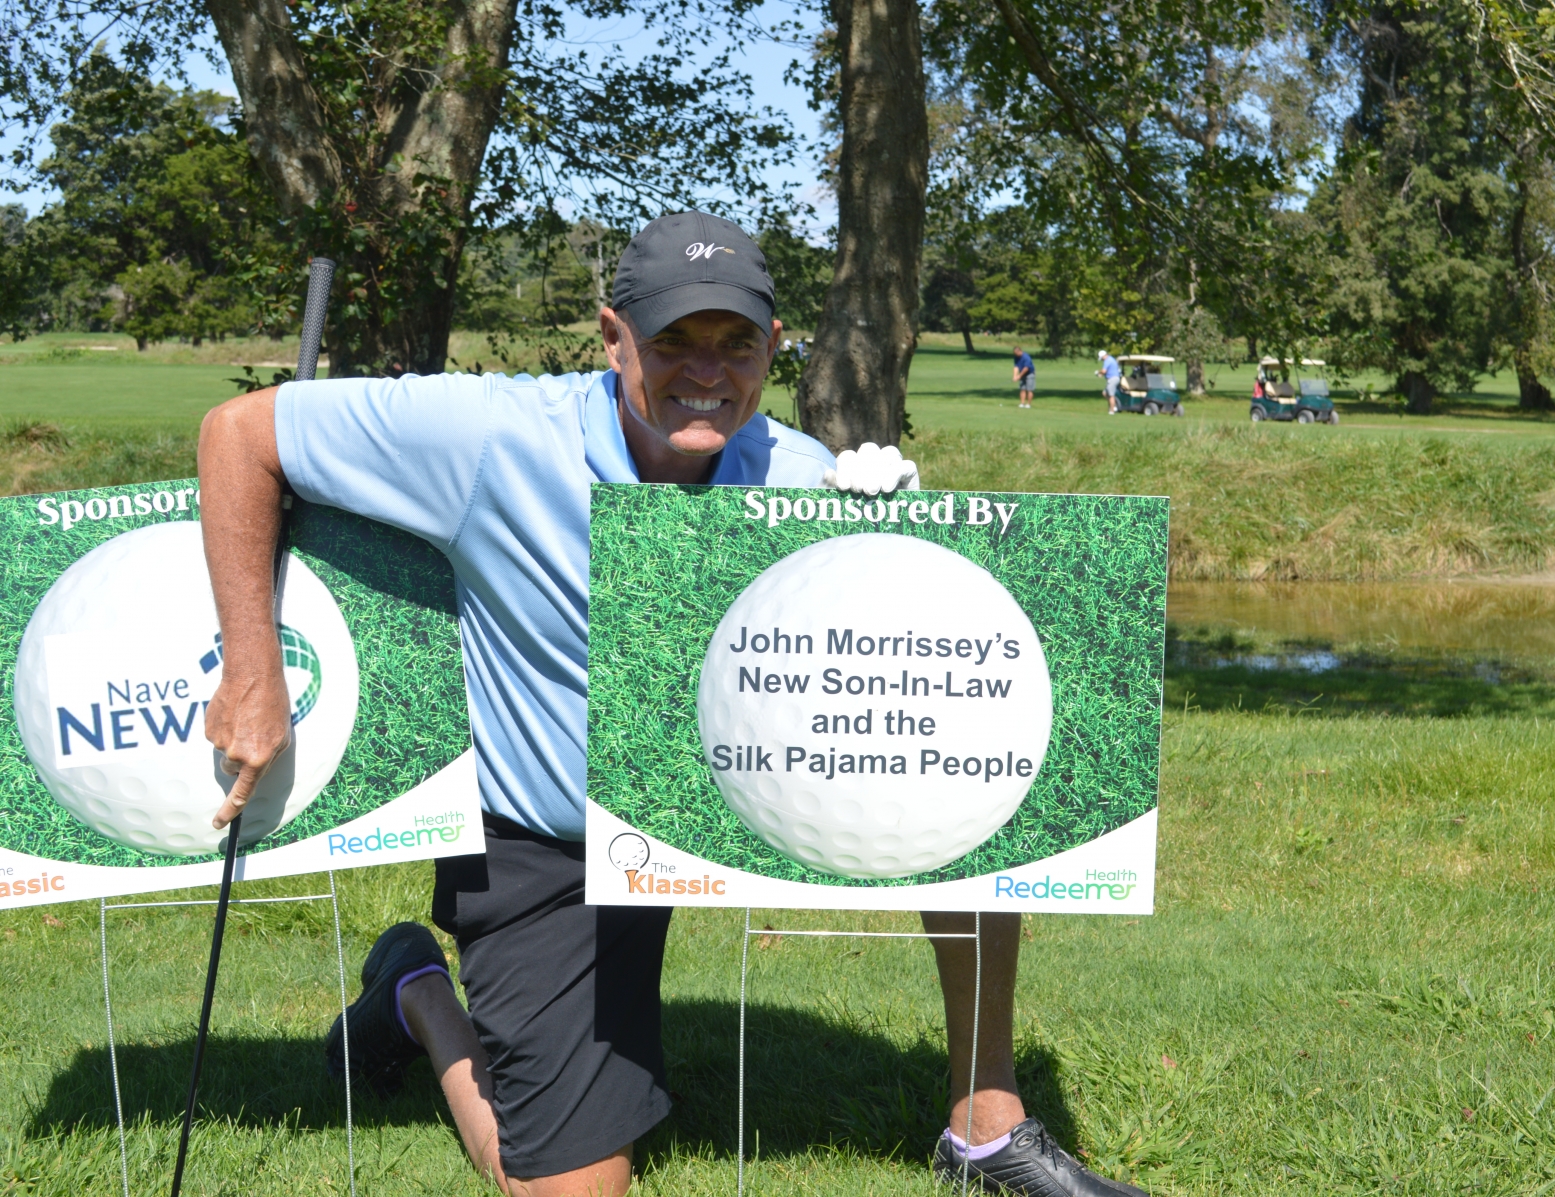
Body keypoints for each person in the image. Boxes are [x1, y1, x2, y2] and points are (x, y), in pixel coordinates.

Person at [198, 210, 1145, 1197]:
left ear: (773, 348)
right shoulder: (487, 434)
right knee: (571, 1188)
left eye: (735, 344)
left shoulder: (802, 479)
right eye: (673, 341)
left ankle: (987, 1128)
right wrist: (254, 668)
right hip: (551, 843)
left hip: (708, 808)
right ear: (614, 339)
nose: (707, 371)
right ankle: (417, 991)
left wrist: (903, 537)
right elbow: (239, 434)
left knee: (962, 753)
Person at [1096, 350, 1122, 414]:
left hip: (1113, 379)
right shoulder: (1111, 359)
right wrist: (1101, 374)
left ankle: (1112, 410)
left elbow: (1104, 371)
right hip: (1113, 378)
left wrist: (1098, 372)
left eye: (1101, 358)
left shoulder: (1107, 360)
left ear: (1103, 356)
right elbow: (1107, 371)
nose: (1102, 360)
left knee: (1111, 395)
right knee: (1105, 393)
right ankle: (1113, 406)